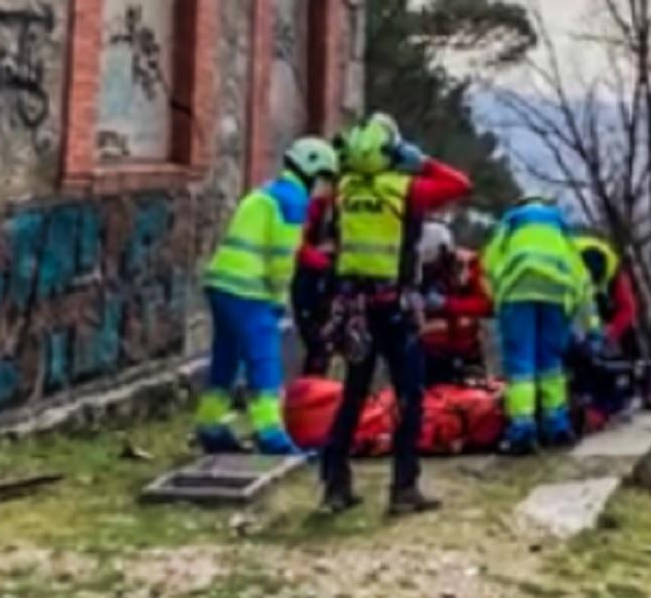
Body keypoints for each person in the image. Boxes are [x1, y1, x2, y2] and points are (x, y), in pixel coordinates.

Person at [320, 113, 471, 516]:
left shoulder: (345, 188)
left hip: (355, 308)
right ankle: (403, 488)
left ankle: (335, 485)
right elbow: (460, 185)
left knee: (353, 394)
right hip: (396, 308)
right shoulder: (406, 191)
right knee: (409, 395)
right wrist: (420, 161)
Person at [197, 136, 340, 455]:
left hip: (222, 282)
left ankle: (209, 425)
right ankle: (271, 434)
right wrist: (277, 299)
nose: (325, 189)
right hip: (250, 289)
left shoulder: (267, 193)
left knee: (227, 357)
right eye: (325, 179)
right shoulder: (293, 202)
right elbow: (282, 256)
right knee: (265, 361)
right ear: (311, 172)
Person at [483, 196, 598, 455]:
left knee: (521, 364)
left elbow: (490, 261)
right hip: (556, 293)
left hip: (518, 292)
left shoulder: (511, 221)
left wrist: (497, 296)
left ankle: (522, 429)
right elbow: (579, 272)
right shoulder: (559, 224)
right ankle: (556, 424)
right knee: (551, 363)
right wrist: (592, 326)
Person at [574, 234, 651, 413]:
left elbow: (628, 309)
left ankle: (646, 384)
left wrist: (611, 333)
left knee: (629, 335)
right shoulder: (567, 265)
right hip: (575, 298)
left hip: (601, 299)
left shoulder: (613, 273)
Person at [416, 221, 494, 386]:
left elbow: (488, 304)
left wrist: (447, 305)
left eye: (434, 262)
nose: (431, 268)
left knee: (473, 403)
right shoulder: (413, 268)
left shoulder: (468, 264)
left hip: (466, 350)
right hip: (427, 353)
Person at [291, 192, 336, 376]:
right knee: (317, 343)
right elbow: (297, 241)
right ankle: (313, 389)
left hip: (337, 279)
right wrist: (322, 259)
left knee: (327, 345)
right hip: (312, 279)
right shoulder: (318, 206)